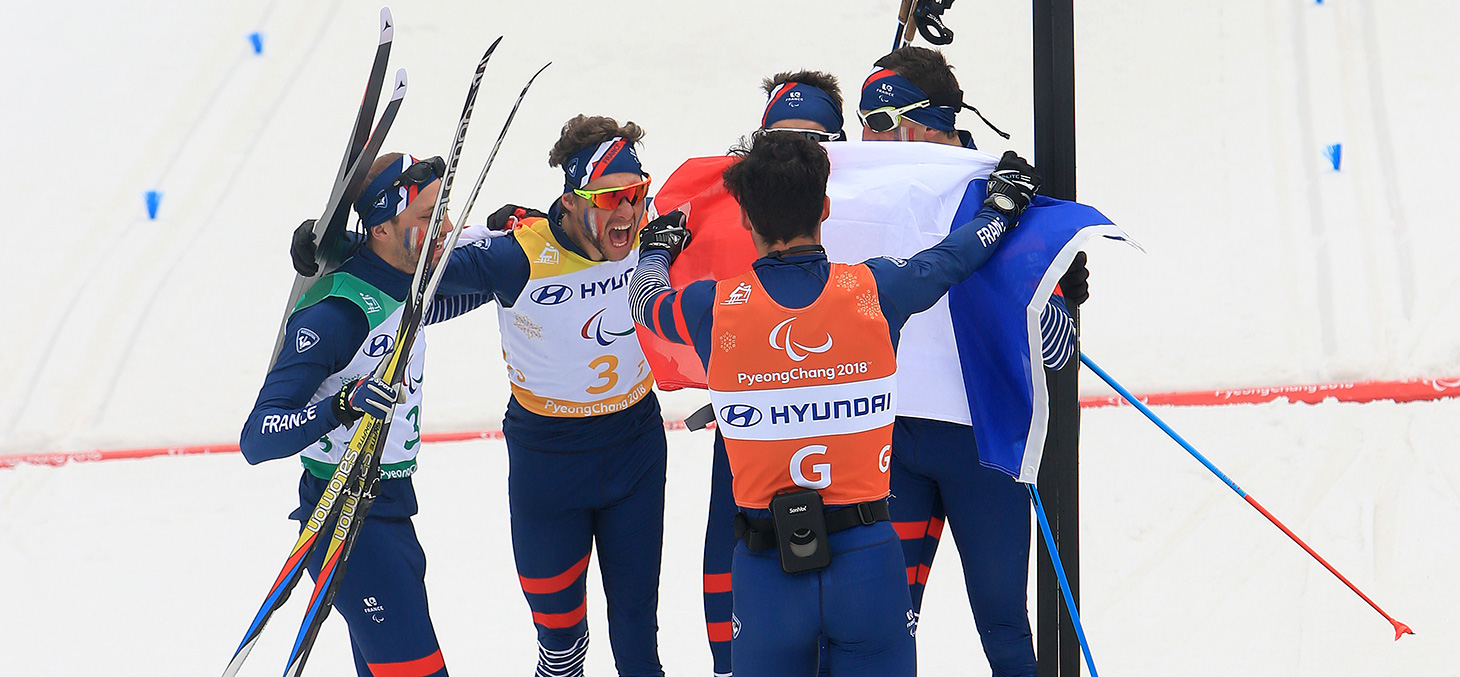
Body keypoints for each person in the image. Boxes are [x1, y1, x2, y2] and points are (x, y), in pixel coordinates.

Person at [628, 130, 1043, 676]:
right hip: (867, 562)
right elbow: (954, 257)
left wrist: (657, 249)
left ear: (746, 221)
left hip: (765, 570)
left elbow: (644, 298)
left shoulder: (716, 308)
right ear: (824, 208)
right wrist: (1004, 207)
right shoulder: (876, 290)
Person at [386, 115, 666, 677]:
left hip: (634, 447)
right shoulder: (515, 255)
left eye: (637, 195)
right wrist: (337, 244)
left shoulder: (651, 238)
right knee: (561, 640)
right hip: (549, 462)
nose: (629, 213)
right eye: (612, 198)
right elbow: (408, 273)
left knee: (636, 632)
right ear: (570, 202)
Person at [858, 45, 1090, 677]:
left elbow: (1061, 350)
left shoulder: (1001, 195)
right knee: (881, 630)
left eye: (876, 123)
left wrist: (1035, 289)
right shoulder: (863, 197)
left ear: (925, 122)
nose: (863, 139)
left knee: (1005, 630)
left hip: (981, 448)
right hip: (893, 439)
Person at [242, 152, 453, 677]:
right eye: (429, 218)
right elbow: (257, 437)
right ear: (382, 228)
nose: (444, 228)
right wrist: (341, 405)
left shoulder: (414, 270)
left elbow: (494, 262)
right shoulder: (337, 313)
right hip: (346, 522)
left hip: (390, 508)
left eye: (442, 210)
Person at [695, 70, 848, 677]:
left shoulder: (879, 208)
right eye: (780, 140)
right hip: (753, 426)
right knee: (730, 552)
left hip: (846, 435)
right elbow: (616, 243)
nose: (796, 156)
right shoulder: (742, 206)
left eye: (814, 142)